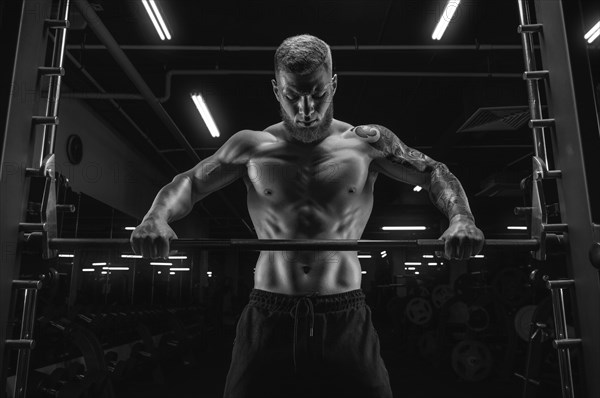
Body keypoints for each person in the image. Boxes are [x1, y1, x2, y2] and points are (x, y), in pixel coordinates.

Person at [131, 34, 485, 398]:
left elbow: (431, 171)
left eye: (317, 94)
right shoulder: (251, 146)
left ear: (333, 84)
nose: (305, 109)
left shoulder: (366, 143)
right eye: (291, 95)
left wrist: (461, 217)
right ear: (275, 89)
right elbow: (190, 182)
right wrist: (156, 217)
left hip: (344, 312)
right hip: (269, 312)